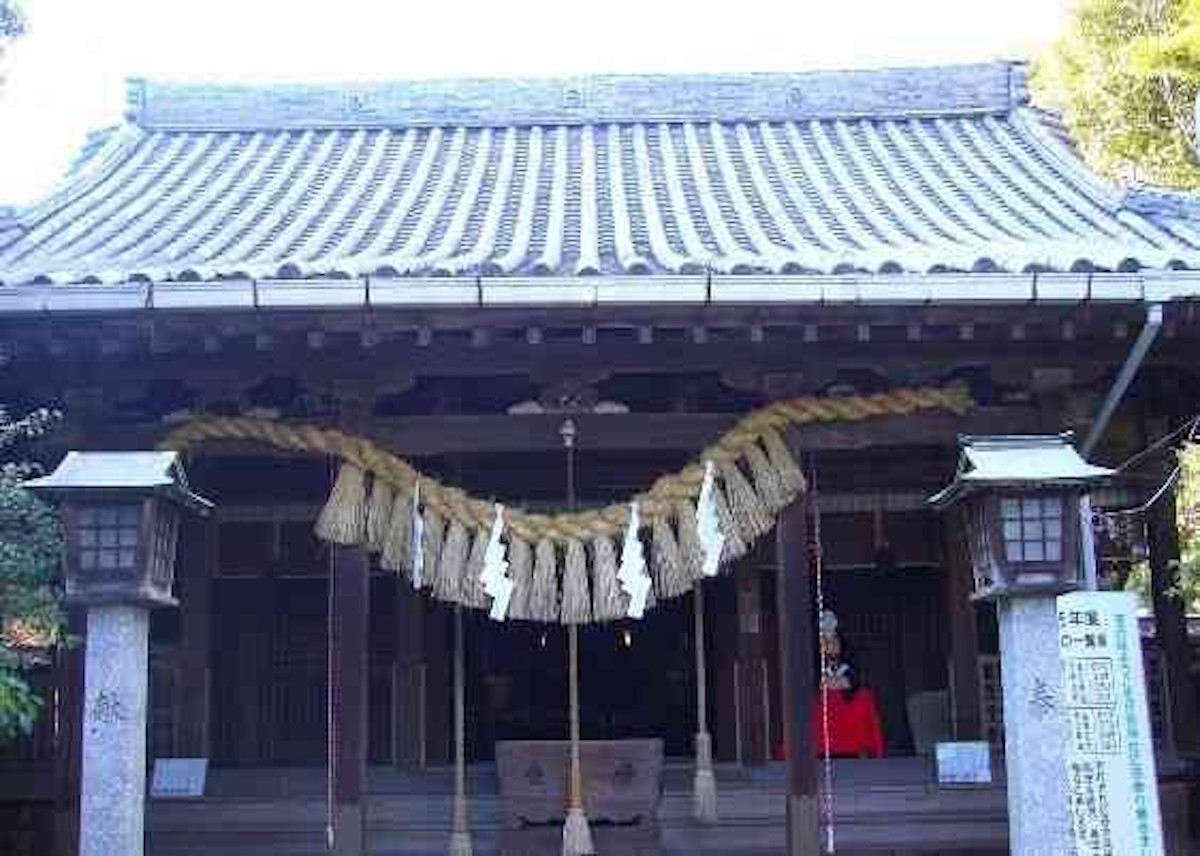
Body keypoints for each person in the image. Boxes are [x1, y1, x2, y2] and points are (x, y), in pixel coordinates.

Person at [811, 610, 884, 758]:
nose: (829, 646)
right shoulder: (814, 659)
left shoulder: (849, 657)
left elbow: (852, 681)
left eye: (833, 641)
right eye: (825, 641)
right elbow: (818, 682)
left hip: (847, 697)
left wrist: (839, 682)